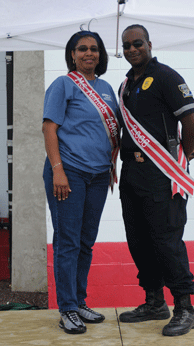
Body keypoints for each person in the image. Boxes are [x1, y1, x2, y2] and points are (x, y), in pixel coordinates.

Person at [118, 24, 194, 337]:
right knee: (139, 240)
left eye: (137, 43)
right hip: (132, 174)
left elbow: (193, 122)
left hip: (161, 174)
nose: (131, 50)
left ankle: (184, 307)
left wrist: (187, 157)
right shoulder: (127, 83)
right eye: (126, 46)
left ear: (149, 43)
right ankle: (154, 302)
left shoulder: (167, 76)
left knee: (167, 241)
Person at [42, 31, 120, 334]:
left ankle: (80, 301)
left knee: (86, 242)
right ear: (72, 54)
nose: (89, 53)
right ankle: (68, 309)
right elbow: (50, 128)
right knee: (68, 241)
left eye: (94, 49)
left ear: (100, 54)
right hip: (69, 172)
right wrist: (58, 170)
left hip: (99, 176)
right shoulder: (63, 85)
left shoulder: (107, 89)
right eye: (82, 49)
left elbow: (113, 131)